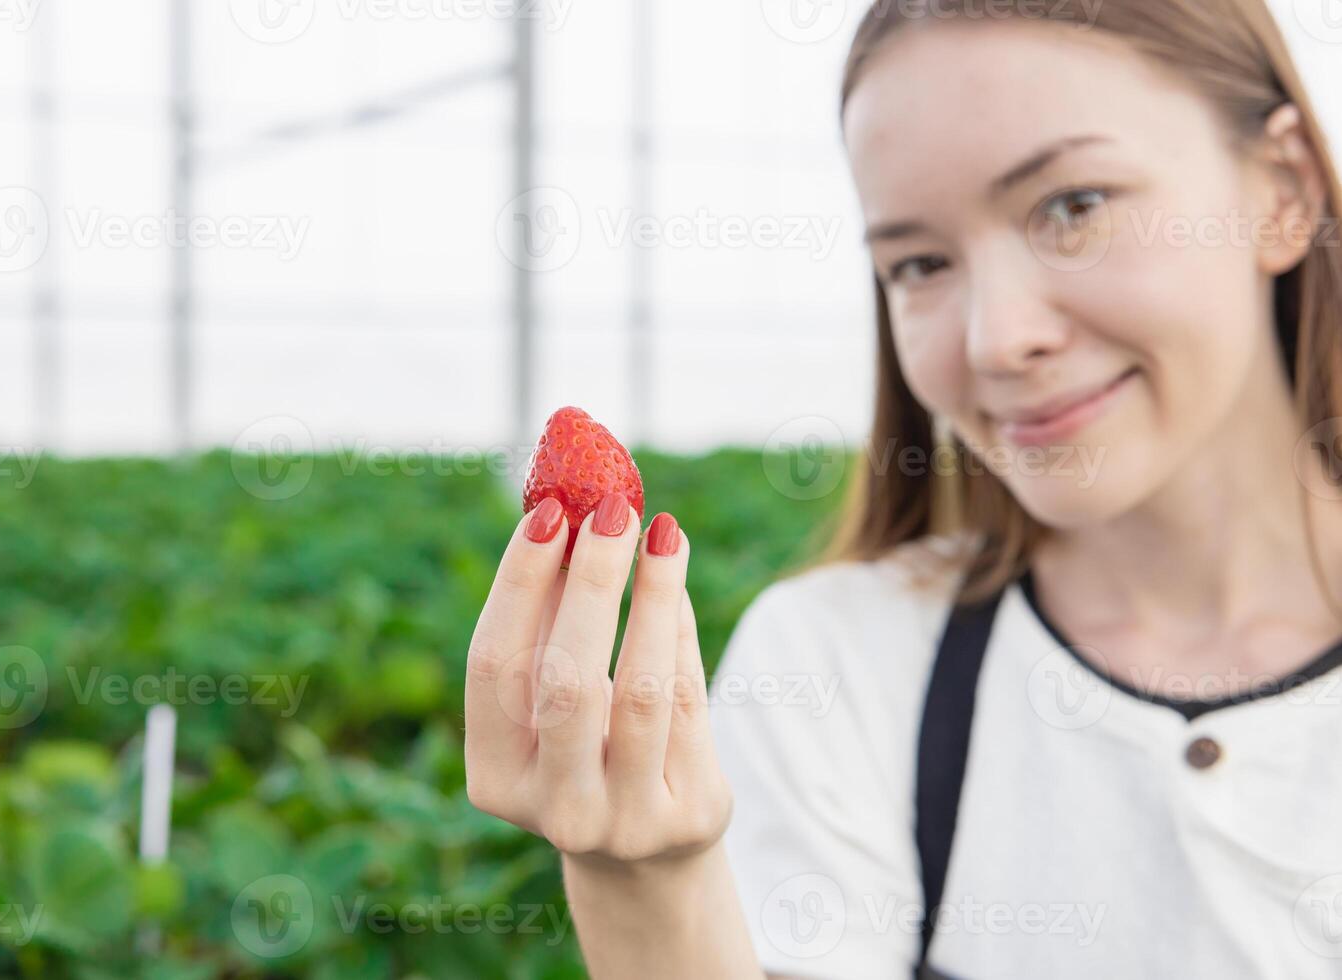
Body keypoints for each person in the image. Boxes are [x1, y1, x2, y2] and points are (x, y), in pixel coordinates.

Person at [464, 0, 1342, 975]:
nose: (995, 338)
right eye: (919, 263)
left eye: (1073, 206)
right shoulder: (840, 663)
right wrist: (645, 887)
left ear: (1282, 189)